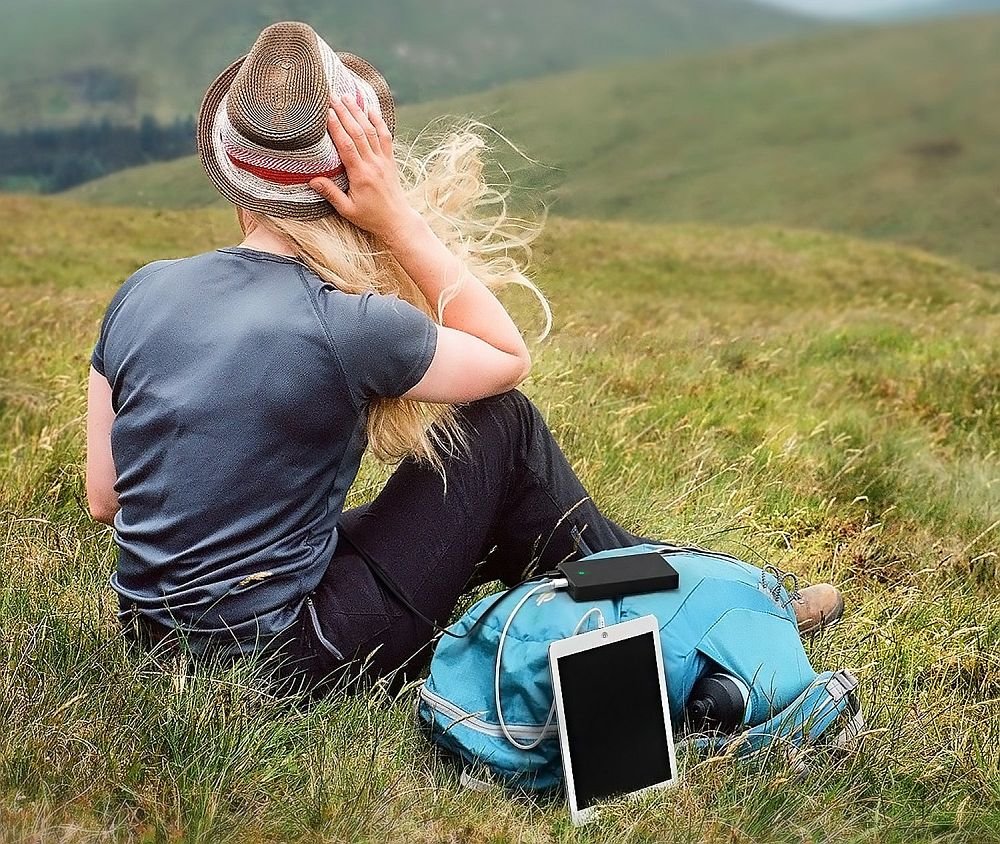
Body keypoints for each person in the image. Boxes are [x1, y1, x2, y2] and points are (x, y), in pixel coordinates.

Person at [85, 22, 843, 694]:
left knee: (499, 491)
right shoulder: (347, 322)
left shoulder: (142, 291)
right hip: (285, 661)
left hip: (154, 645)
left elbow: (106, 499)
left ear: (229, 166)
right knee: (501, 428)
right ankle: (701, 605)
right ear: (350, 176)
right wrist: (398, 218)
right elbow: (505, 357)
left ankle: (656, 588)